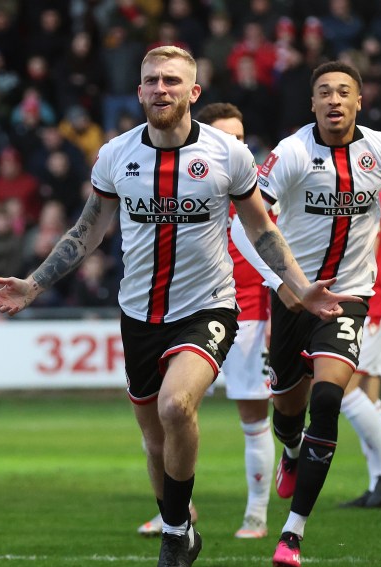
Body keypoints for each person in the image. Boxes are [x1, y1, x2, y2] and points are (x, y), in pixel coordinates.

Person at [0, 46, 356, 567]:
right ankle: (181, 529)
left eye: (172, 80)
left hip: (207, 308)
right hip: (139, 315)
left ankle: (173, 543)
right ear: (139, 92)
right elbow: (89, 228)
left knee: (178, 407)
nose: (160, 88)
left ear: (193, 92)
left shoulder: (228, 155)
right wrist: (34, 284)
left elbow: (263, 231)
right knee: (154, 441)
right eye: (151, 79)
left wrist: (298, 288)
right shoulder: (116, 156)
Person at [230, 60, 381, 567]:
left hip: (349, 298)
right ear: (313, 103)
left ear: (359, 101)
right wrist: (286, 286)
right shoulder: (293, 153)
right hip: (295, 297)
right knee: (287, 415)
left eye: (345, 92)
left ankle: (292, 533)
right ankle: (292, 452)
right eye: (325, 93)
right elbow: (242, 228)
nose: (335, 100)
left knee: (329, 396)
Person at [136, 102, 275, 540]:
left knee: (253, 418)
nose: (236, 146)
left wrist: (277, 315)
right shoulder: (182, 187)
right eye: (225, 138)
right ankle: (176, 510)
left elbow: (278, 256)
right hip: (186, 317)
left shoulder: (261, 193)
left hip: (250, 317)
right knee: (165, 415)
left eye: (240, 137)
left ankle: (256, 513)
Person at [339, 189, 381, 508]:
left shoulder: (366, 195)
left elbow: (363, 253)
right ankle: (377, 482)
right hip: (378, 298)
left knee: (341, 388)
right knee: (368, 395)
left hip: (371, 303)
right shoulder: (374, 194)